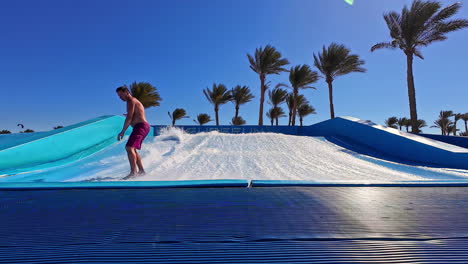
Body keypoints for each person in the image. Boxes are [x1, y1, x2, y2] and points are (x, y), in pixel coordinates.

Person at [116, 85, 151, 179]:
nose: (120, 98)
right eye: (119, 96)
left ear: (127, 92)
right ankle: (142, 171)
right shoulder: (133, 101)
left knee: (129, 147)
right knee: (133, 149)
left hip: (141, 126)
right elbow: (133, 115)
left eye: (121, 95)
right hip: (140, 127)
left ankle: (133, 172)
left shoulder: (131, 100)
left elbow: (129, 117)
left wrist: (122, 131)